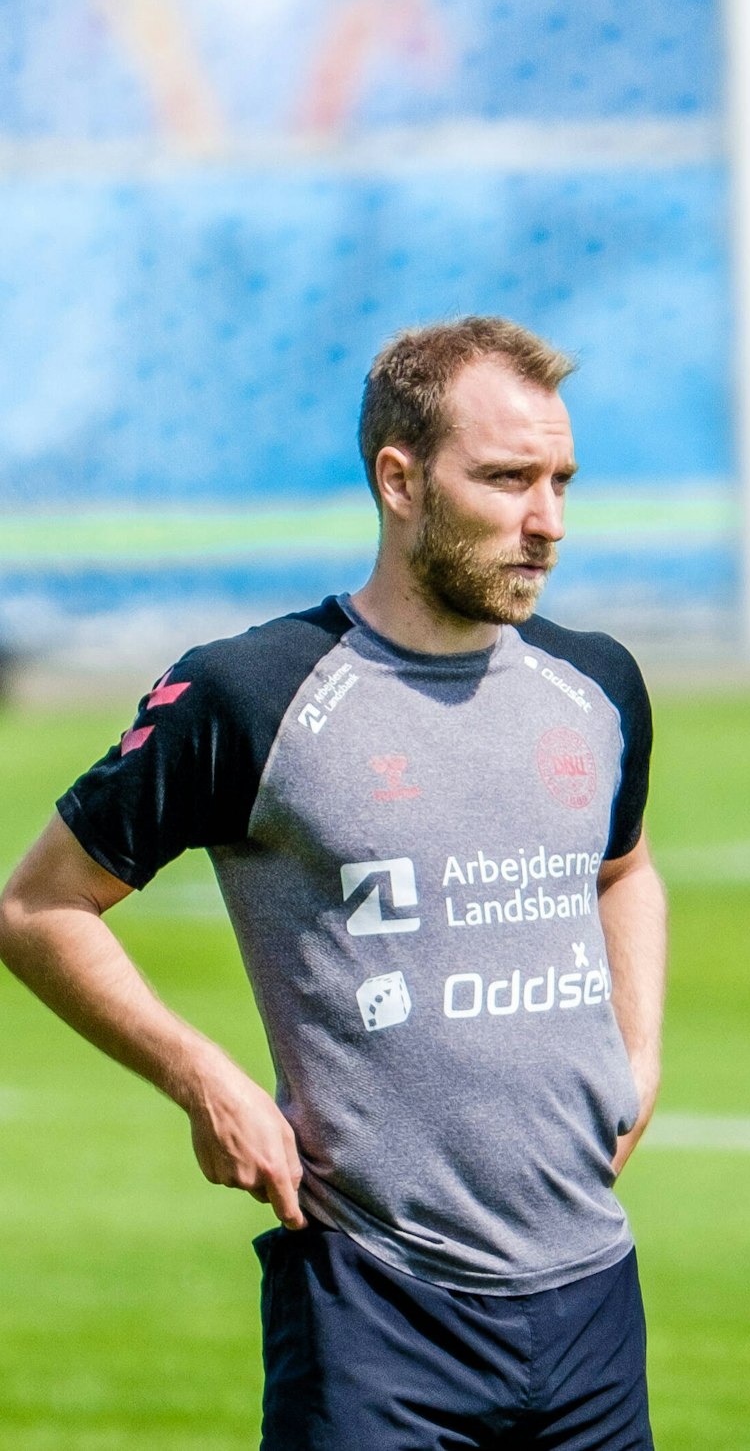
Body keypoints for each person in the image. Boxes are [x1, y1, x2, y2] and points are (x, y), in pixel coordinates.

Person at [0, 317, 667, 1450]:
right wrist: (205, 1081)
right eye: (507, 479)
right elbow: (38, 907)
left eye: (560, 481)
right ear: (399, 481)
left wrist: (637, 1055)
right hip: (374, 1309)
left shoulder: (595, 683)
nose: (547, 520)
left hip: (593, 1297)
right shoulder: (253, 693)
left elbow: (626, 867)